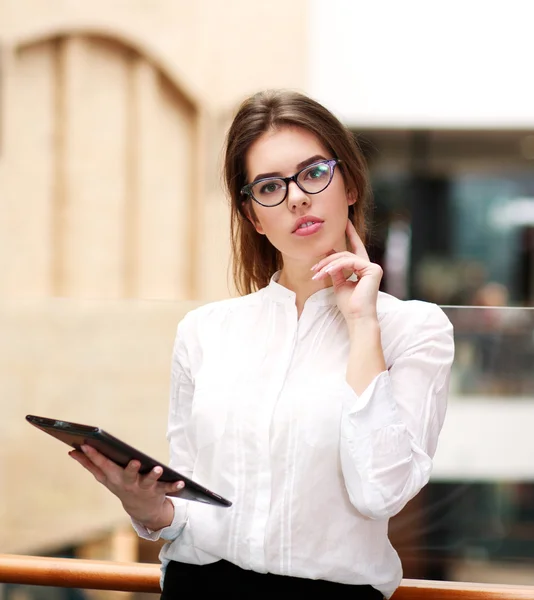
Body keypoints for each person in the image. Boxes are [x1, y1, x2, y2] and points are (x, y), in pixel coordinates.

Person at [69, 90, 455, 598]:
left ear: (351, 185)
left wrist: (362, 323)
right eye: (270, 186)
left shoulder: (415, 330)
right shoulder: (205, 332)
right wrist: (147, 507)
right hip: (197, 586)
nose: (296, 197)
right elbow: (187, 507)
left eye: (314, 173)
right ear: (254, 217)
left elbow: (381, 490)